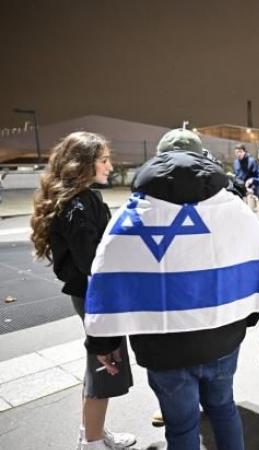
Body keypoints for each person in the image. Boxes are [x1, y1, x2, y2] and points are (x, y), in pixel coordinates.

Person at [83, 128, 259, 450]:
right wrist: (243, 318)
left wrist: (103, 342)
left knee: (181, 425)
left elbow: (107, 273)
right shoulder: (233, 207)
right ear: (201, 155)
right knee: (223, 408)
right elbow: (257, 261)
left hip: (163, 348)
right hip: (223, 337)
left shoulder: (133, 214)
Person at [29, 132, 136, 450]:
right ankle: (92, 442)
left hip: (91, 293)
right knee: (104, 367)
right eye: (104, 159)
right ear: (85, 164)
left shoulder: (81, 198)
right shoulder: (78, 204)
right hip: (95, 294)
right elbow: (93, 260)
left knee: (101, 366)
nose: (110, 165)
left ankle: (93, 433)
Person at [232, 143, 258, 210]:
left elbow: (257, 176)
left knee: (250, 212)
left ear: (244, 151)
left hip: (249, 191)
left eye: (240, 152)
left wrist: (252, 188)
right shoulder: (235, 162)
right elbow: (235, 176)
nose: (238, 154)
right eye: (236, 152)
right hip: (239, 192)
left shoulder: (252, 161)